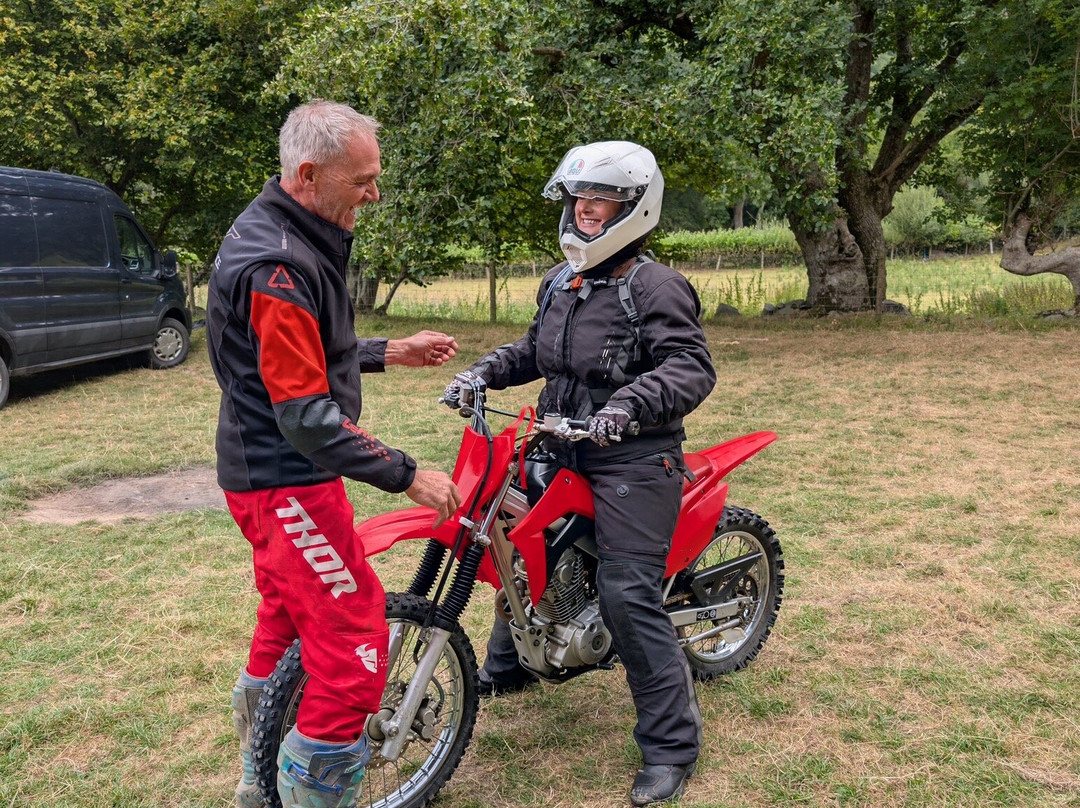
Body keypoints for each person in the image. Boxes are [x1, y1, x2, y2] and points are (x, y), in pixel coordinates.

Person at [443, 141, 716, 806]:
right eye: (579, 199)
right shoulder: (560, 282)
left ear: (634, 208)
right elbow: (536, 350)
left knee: (627, 593)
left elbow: (689, 365)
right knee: (515, 542)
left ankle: (673, 746)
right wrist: (482, 371)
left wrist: (628, 405)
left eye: (603, 200)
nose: (587, 211)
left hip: (633, 458)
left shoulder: (656, 286)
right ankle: (508, 665)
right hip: (559, 442)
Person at [206, 99, 462, 808]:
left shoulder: (283, 229)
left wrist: (387, 352)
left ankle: (259, 783)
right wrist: (407, 474)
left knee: (284, 622)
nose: (375, 194)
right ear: (311, 174)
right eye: (364, 180)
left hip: (260, 472)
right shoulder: (279, 267)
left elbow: (297, 359)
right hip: (287, 478)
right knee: (353, 650)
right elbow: (308, 417)